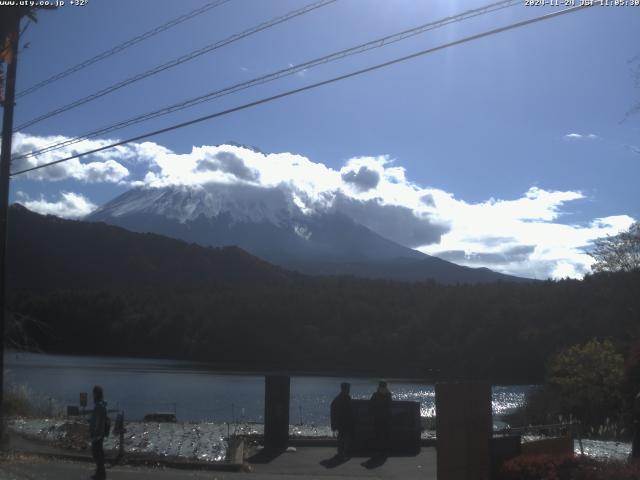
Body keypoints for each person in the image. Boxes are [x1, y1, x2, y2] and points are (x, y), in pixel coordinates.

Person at [330, 382, 355, 457]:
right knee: (345, 437)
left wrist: (334, 424)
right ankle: (343, 451)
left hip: (340, 422)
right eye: (348, 388)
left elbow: (333, 412)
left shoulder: (337, 398)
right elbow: (350, 411)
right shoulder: (346, 398)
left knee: (341, 436)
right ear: (346, 389)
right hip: (345, 422)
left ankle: (341, 451)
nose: (349, 390)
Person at [89, 385, 108, 480]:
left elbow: (99, 422)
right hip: (99, 433)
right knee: (97, 453)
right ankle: (99, 473)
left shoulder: (99, 406)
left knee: (96, 453)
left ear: (97, 394)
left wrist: (96, 433)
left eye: (94, 393)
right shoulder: (99, 405)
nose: (93, 395)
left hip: (97, 434)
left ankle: (101, 474)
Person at [369, 381, 392, 456]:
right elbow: (390, 406)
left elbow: (371, 405)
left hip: (377, 417)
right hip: (386, 418)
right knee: (386, 434)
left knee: (377, 434)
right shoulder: (388, 395)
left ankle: (377, 450)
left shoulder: (375, 395)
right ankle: (385, 450)